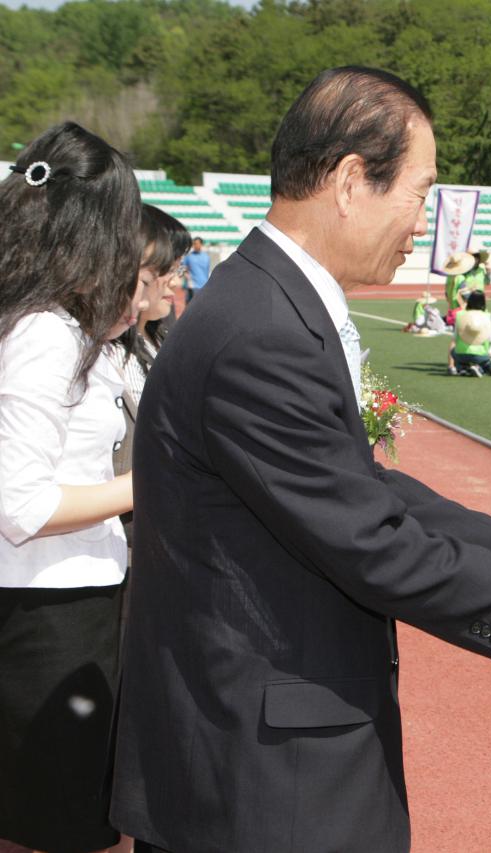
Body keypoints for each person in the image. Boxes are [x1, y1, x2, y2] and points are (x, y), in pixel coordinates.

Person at [108, 67, 491, 853]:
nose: (424, 224)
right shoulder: (262, 329)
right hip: (260, 785)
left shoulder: (268, 301)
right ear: (349, 180)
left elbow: (350, 484)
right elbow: (366, 538)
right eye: (420, 193)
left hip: (258, 754)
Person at [0, 122, 145, 853]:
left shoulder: (37, 322)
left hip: (51, 607)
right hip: (54, 614)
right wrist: (144, 486)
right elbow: (23, 506)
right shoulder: (44, 332)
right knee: (62, 828)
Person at [111, 206, 191, 546]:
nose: (176, 282)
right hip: (125, 536)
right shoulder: (108, 351)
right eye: (167, 270)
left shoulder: (159, 340)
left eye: (177, 269)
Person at [448, 291, 491, 377]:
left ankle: (462, 367)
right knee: (490, 363)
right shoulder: (487, 316)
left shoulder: (460, 315)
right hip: (480, 355)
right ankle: (479, 368)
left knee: (453, 351)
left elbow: (455, 337)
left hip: (460, 353)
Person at [180, 236, 210, 306]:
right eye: (194, 244)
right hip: (192, 286)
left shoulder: (206, 257)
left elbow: (207, 271)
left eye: (196, 243)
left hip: (203, 286)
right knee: (189, 307)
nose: (195, 246)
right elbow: (182, 268)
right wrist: (186, 276)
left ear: (201, 244)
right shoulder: (189, 256)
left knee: (201, 306)